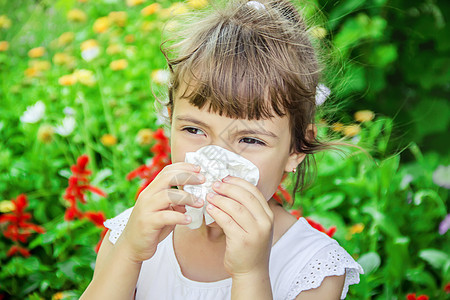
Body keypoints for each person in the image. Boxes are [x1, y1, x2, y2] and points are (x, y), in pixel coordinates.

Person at [81, 0, 363, 299]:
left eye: (251, 140)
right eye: (194, 130)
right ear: (170, 119)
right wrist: (129, 253)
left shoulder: (312, 268)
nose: (215, 159)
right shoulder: (135, 233)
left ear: (296, 148)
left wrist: (250, 274)